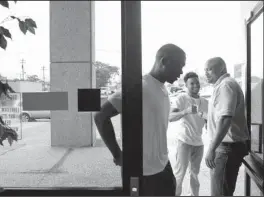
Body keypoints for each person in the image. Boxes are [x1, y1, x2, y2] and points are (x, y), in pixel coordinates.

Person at [94, 43, 186, 196]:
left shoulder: (162, 88)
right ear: (164, 61)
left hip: (162, 164)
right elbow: (101, 116)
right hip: (143, 172)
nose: (181, 72)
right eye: (179, 66)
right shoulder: (140, 87)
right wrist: (117, 154)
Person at [204, 57, 249, 196]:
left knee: (220, 193)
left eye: (210, 69)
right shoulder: (223, 85)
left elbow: (225, 119)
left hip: (226, 149)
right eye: (205, 70)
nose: (206, 73)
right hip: (227, 148)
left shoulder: (225, 85)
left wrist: (211, 148)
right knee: (223, 191)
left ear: (222, 68)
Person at [169, 72, 208, 196]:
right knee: (179, 175)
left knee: (195, 175)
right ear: (186, 85)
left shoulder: (205, 102)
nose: (195, 85)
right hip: (184, 142)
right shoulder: (182, 98)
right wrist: (185, 111)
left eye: (197, 82)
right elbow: (170, 117)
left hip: (199, 143)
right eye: (192, 83)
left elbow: (209, 122)